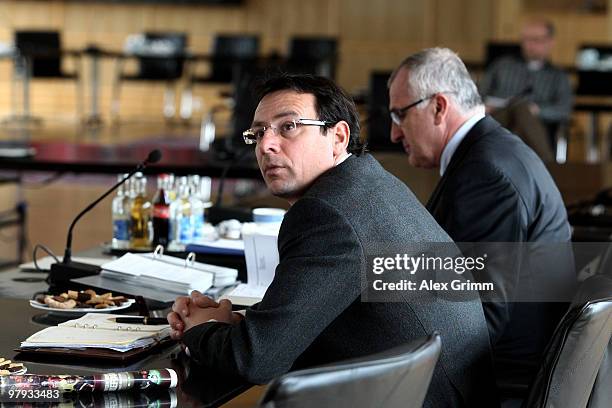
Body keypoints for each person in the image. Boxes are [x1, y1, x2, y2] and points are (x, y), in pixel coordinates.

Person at [168, 74, 499, 407]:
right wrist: (233, 325)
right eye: (258, 132)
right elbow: (306, 317)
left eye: (288, 127)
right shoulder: (370, 183)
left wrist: (199, 329)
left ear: (338, 136)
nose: (265, 145)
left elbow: (256, 360)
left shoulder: (327, 214)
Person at [388, 47, 576, 386]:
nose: (394, 133)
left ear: (439, 107)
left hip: (495, 381)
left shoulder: (486, 173)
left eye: (400, 114)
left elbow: (475, 318)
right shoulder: (492, 152)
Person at [479, 19, 573, 161]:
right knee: (521, 108)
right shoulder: (502, 66)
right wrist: (484, 106)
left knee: (522, 111)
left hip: (535, 126)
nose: (530, 45)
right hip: (498, 119)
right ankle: (547, 166)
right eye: (526, 39)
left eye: (536, 39)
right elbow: (478, 95)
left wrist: (538, 110)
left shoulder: (558, 76)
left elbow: (564, 109)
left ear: (550, 42)